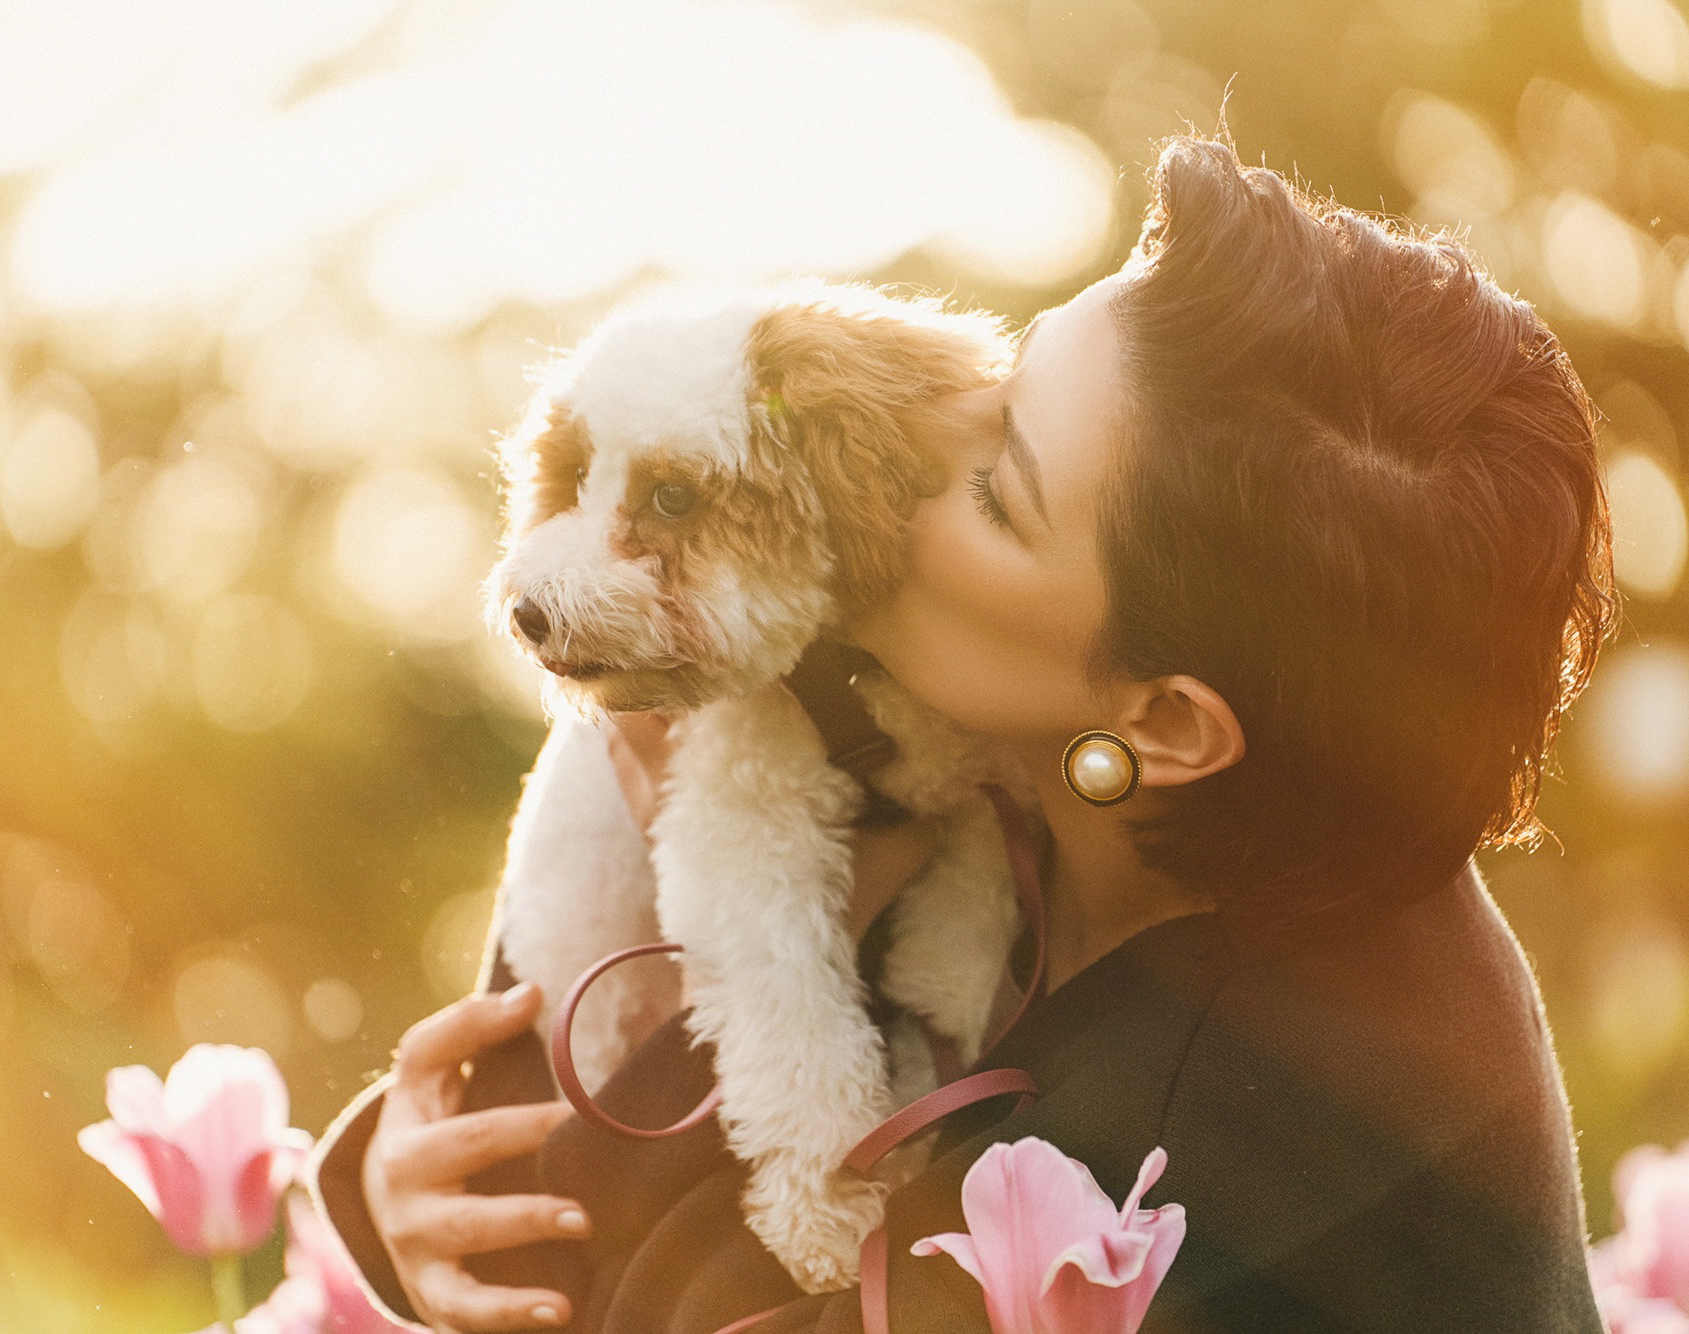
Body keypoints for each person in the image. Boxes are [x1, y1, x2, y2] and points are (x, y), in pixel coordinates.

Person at [306, 135, 1616, 1333]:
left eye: (996, 485)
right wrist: (416, 1181)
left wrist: (569, 1211)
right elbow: (557, 1016)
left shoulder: (1204, 1153)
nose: (898, 449)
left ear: (1161, 720)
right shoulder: (1042, 767)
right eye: (1004, 375)